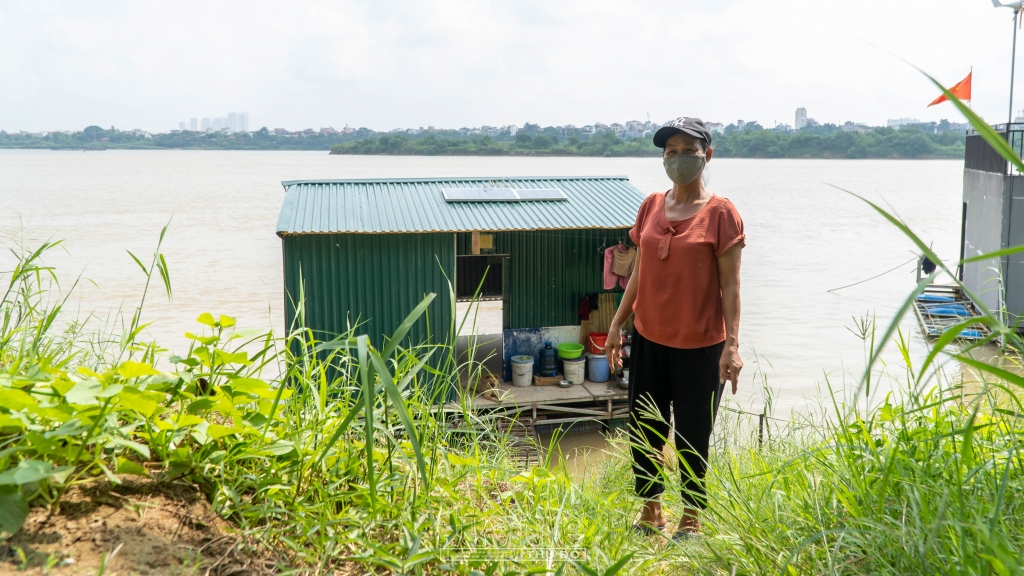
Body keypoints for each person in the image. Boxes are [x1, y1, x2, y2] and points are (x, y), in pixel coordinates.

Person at [605, 117, 744, 540]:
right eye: (670, 150)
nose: (678, 158)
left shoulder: (721, 213)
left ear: (708, 155)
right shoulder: (650, 204)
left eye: (688, 150)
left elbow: (731, 285)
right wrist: (616, 328)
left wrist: (732, 346)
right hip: (649, 339)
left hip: (701, 346)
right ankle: (652, 511)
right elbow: (641, 277)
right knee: (645, 426)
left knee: (692, 434)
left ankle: (691, 517)